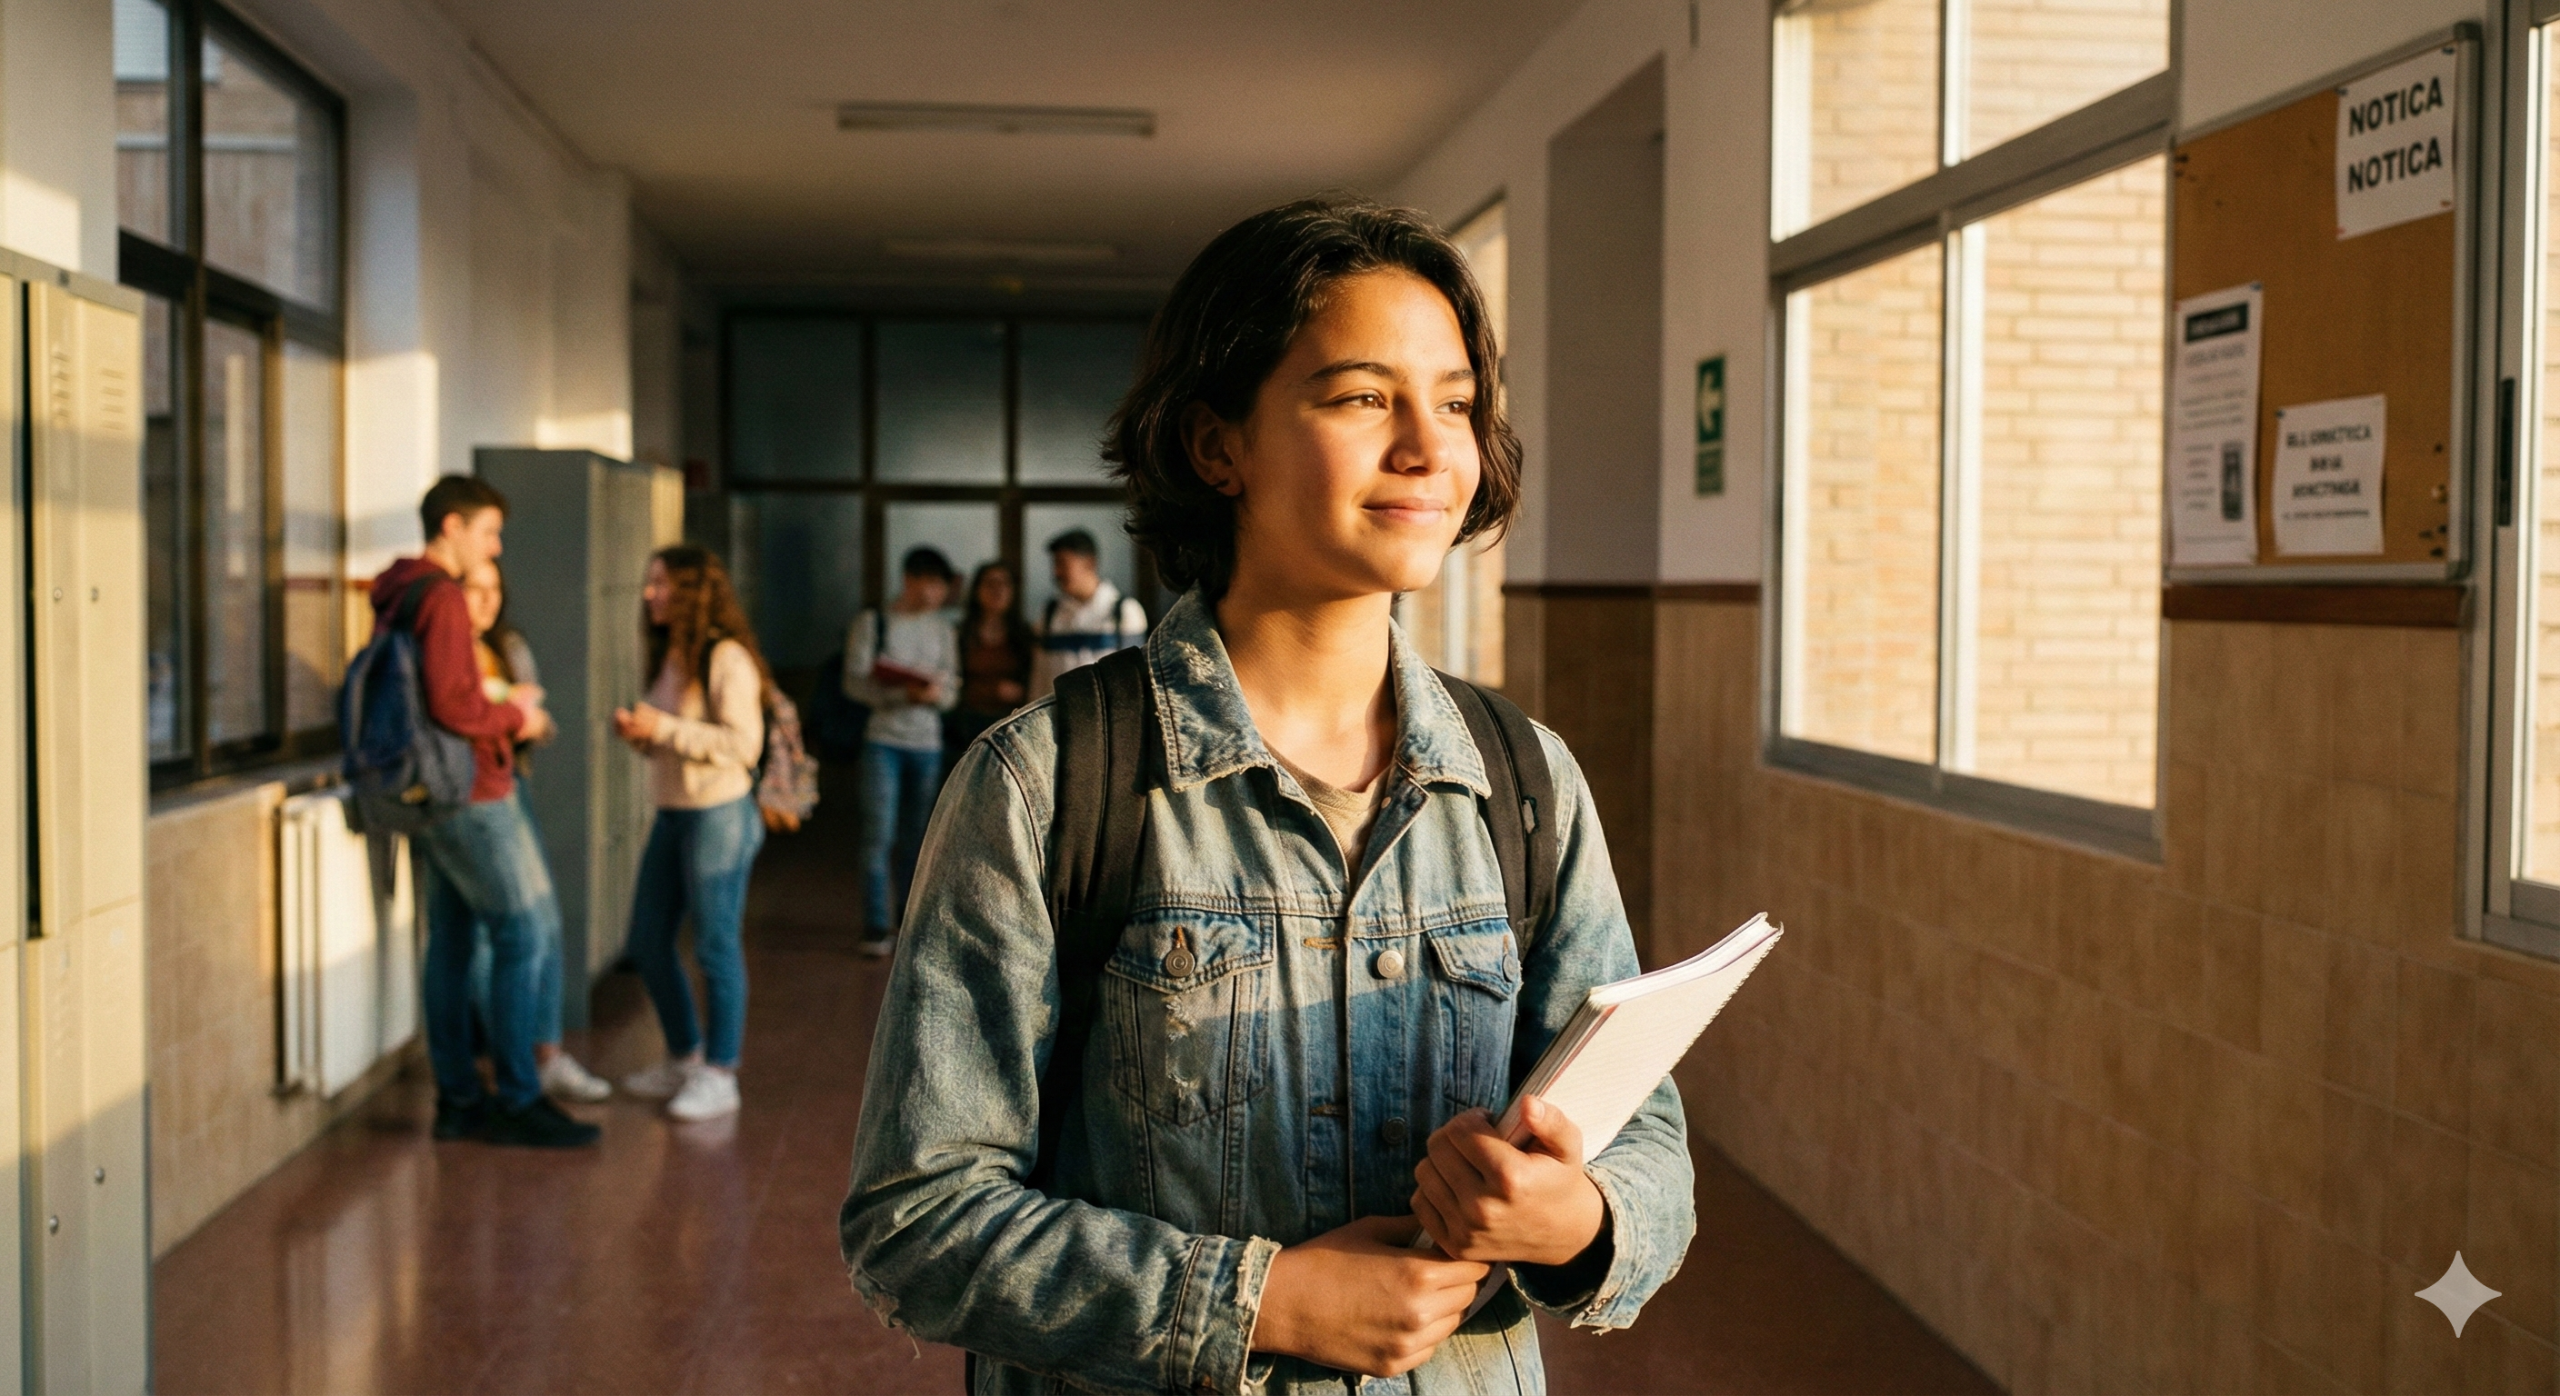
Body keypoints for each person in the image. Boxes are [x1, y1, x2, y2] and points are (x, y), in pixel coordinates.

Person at [839, 196, 1692, 1392]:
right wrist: (1259, 1301)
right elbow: (915, 1222)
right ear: (1215, 444)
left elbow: (1641, 1130)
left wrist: (1578, 1217)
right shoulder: (1048, 782)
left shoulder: (1521, 777)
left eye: (1453, 402)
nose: (1429, 447)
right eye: (1360, 397)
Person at [373, 476, 599, 1149]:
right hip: (470, 789)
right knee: (525, 933)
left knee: (450, 941)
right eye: (488, 531)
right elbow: (454, 704)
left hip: (422, 791)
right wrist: (517, 713)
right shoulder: (440, 596)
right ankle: (518, 1098)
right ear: (452, 528)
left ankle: (459, 1099)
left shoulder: (397, 588)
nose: (495, 544)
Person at [611, 546, 773, 1123]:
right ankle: (684, 1056)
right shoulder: (671, 655)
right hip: (674, 811)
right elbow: (678, 735)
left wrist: (668, 728)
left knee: (715, 944)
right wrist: (643, 734)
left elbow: (742, 745)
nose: (650, 593)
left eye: (661, 583)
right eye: (650, 582)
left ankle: (720, 1072)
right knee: (648, 940)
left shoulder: (726, 657)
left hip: (719, 814)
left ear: (690, 591)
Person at [459, 559, 611, 1104]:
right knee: (494, 931)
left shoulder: (505, 644)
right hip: (469, 794)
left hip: (506, 783)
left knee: (535, 923)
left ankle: (536, 1055)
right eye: (473, 590)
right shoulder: (449, 652)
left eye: (494, 589)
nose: (486, 601)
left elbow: (522, 706)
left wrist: (525, 719)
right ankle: (515, 1063)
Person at [843, 547, 960, 958]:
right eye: (930, 583)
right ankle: (876, 924)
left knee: (919, 836)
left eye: (941, 586)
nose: (936, 593)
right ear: (909, 579)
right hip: (883, 740)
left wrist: (932, 696)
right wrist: (898, 693)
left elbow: (952, 690)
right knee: (879, 833)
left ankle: (909, 919)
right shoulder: (873, 622)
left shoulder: (944, 630)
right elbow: (854, 684)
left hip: (927, 742)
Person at [1028, 528, 1148, 699]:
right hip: (1057, 718)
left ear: (1090, 563)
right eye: (1055, 564)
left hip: (1109, 720)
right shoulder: (1049, 613)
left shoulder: (1124, 611)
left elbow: (1135, 680)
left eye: (1063, 563)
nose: (1056, 573)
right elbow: (1038, 678)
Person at [944, 560, 1036, 764]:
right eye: (990, 584)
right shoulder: (962, 633)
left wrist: (1021, 691)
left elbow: (1035, 679)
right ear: (977, 590)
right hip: (965, 725)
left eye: (1004, 584)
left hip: (1011, 724)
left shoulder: (1024, 634)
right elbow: (950, 678)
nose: (998, 590)